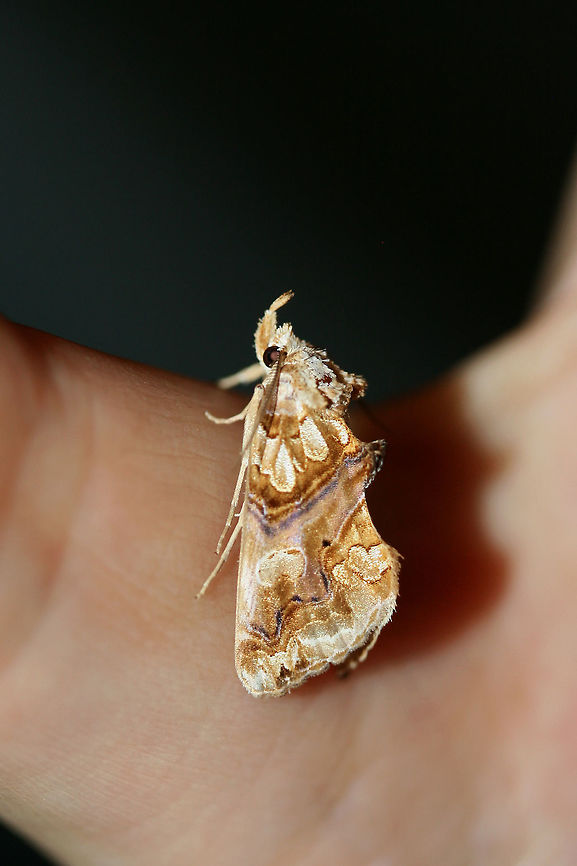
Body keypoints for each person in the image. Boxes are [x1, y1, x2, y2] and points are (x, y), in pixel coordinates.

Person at [0, 162, 576, 866]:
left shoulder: (280, 408)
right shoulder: (287, 390)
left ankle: (294, 635)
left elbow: (261, 417)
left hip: (305, 539)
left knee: (274, 554)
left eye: (269, 355)